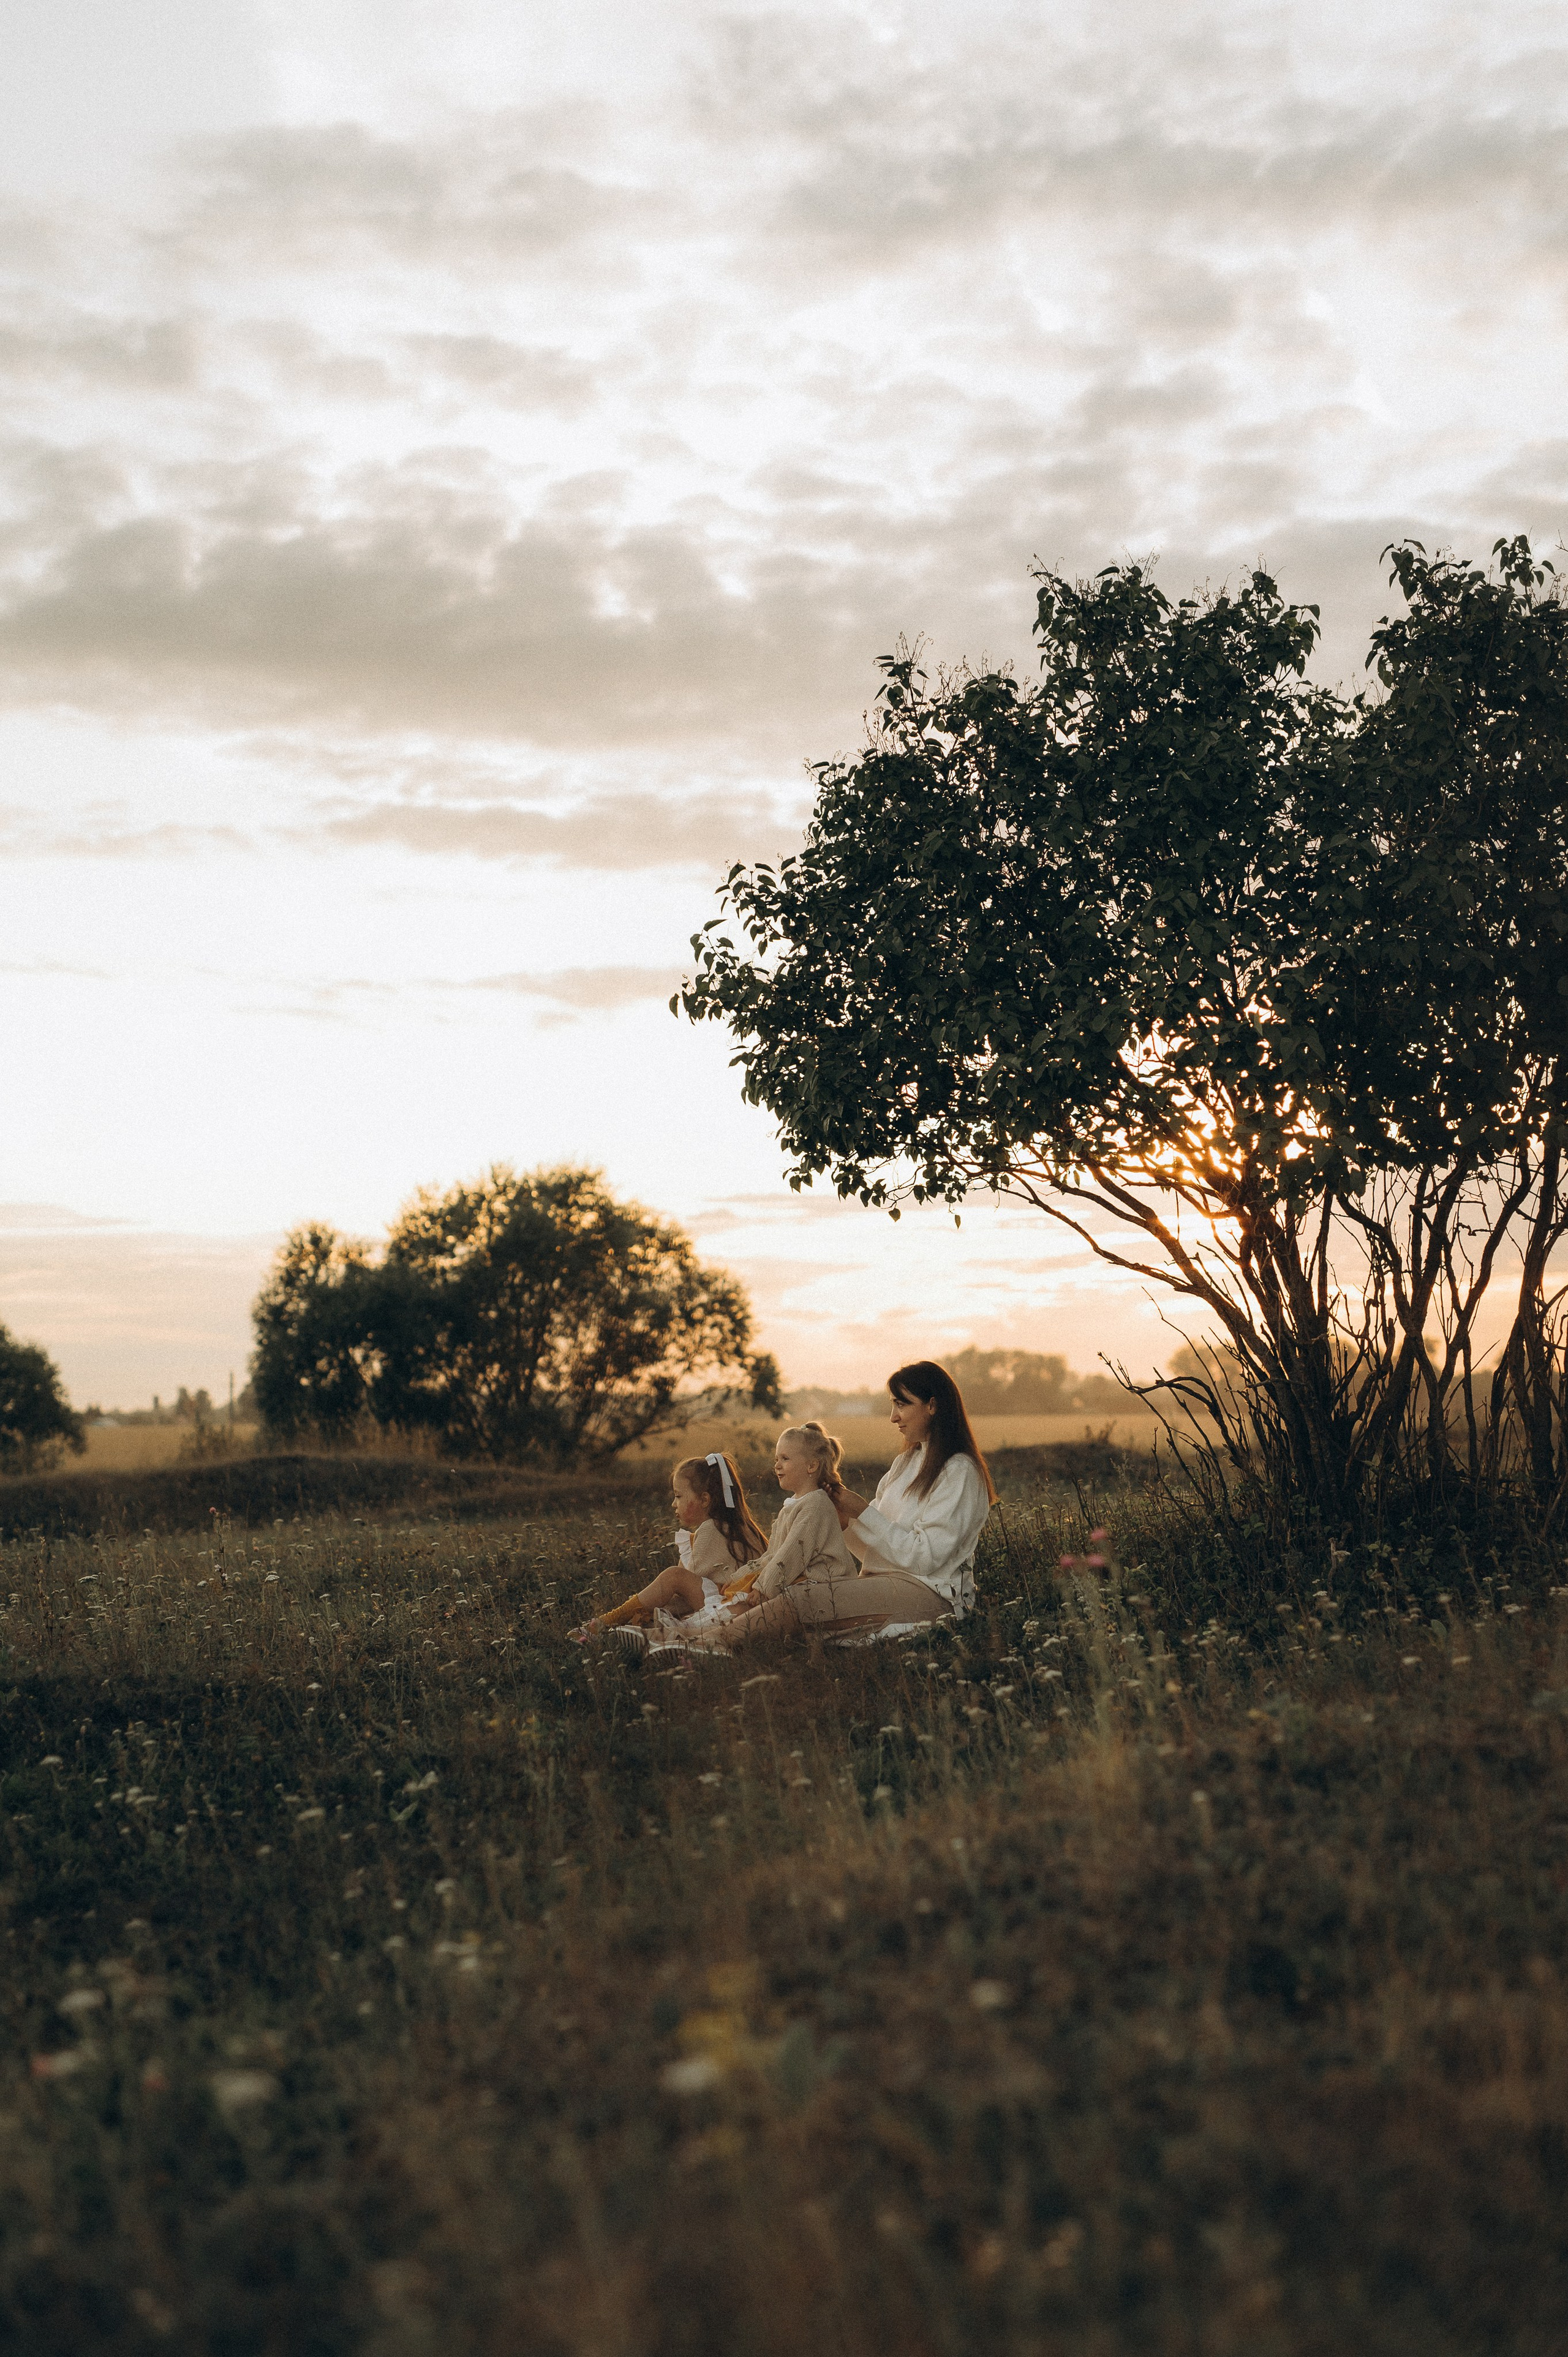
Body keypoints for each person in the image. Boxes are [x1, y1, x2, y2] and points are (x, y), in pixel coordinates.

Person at [687, 1361, 996, 1651]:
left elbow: (925, 1559)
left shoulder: (959, 1472)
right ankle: (680, 1635)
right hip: (883, 1582)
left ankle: (703, 1645)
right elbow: (876, 1551)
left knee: (801, 1599)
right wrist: (841, 1520)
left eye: (902, 1404)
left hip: (932, 1594)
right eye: (892, 1405)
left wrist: (862, 1511)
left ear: (932, 1405)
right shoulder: (906, 1463)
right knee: (790, 1596)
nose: (893, 1416)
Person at [568, 1452, 764, 1642]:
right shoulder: (731, 1527)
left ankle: (609, 1621)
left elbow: (682, 1594)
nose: (673, 1504)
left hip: (732, 1605)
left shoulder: (712, 1531)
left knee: (673, 1577)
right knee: (669, 1592)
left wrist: (647, 1608)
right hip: (733, 1602)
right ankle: (623, 1627)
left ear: (705, 1500)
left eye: (679, 1496)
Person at [725, 1421, 859, 1607]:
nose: (777, 1466)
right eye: (776, 1459)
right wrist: (739, 1578)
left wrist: (764, 1588)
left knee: (745, 1609)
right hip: (801, 1579)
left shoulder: (815, 1505)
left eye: (785, 1459)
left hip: (828, 1589)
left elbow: (790, 1556)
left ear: (811, 1466)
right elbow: (773, 1555)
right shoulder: (794, 1504)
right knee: (736, 1600)